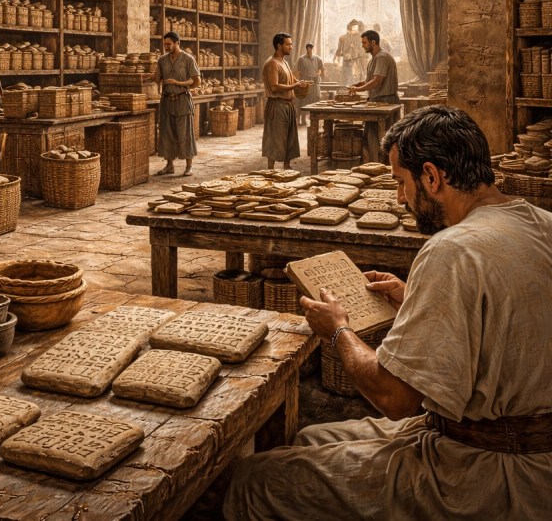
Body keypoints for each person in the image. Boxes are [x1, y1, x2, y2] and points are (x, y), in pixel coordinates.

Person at [225, 105, 552, 519]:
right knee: (310, 437)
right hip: (524, 441)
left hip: (490, 469)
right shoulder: (541, 221)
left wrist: (339, 330)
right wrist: (415, 300)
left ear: (432, 176)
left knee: (256, 480)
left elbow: (395, 398)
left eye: (401, 183)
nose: (400, 198)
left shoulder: (451, 249)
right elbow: (508, 322)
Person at [154, 31, 200, 177]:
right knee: (167, 133)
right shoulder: (162, 60)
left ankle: (188, 166)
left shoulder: (188, 59)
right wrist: (148, 77)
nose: (166, 47)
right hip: (167, 100)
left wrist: (178, 83)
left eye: (168, 44)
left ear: (177, 43)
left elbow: (196, 81)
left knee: (185, 133)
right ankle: (169, 165)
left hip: (182, 100)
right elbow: (157, 78)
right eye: (165, 44)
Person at [261, 33, 307, 170]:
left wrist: (300, 83)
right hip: (277, 105)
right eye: (288, 44)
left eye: (291, 44)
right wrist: (295, 86)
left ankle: (287, 167)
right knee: (275, 138)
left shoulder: (284, 62)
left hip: (288, 105)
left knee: (289, 137)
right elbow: (274, 86)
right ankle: (271, 169)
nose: (291, 47)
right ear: (279, 45)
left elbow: (291, 80)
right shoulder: (272, 64)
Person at [350, 29, 399, 103]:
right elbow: (370, 81)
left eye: (364, 43)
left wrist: (358, 89)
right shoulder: (373, 59)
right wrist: (358, 85)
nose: (362, 46)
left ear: (373, 42)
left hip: (385, 100)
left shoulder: (382, 57)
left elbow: (376, 81)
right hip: (378, 99)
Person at [295, 42, 324, 125]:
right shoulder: (301, 59)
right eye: (307, 49)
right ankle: (301, 120)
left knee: (315, 100)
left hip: (315, 83)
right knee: (303, 101)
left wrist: (317, 75)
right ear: (306, 49)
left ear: (312, 49)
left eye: (310, 49)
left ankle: (315, 120)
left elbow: (321, 71)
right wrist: (300, 81)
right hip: (305, 83)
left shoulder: (318, 59)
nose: (309, 51)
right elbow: (299, 72)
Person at [333, 19, 364, 87]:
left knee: (354, 81)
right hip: (347, 62)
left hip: (356, 62)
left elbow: (361, 51)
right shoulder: (342, 38)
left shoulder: (359, 37)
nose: (356, 29)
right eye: (354, 27)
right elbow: (338, 52)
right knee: (346, 80)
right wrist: (338, 58)